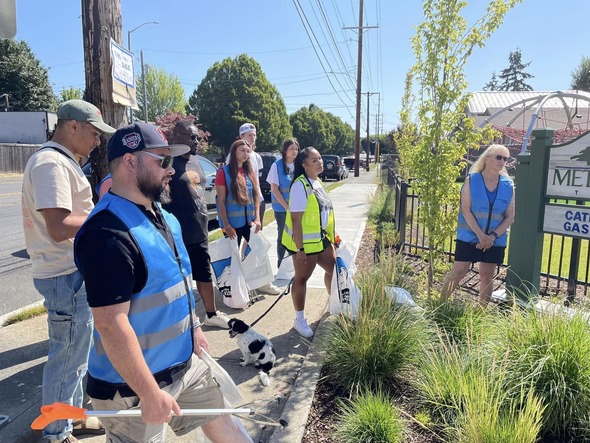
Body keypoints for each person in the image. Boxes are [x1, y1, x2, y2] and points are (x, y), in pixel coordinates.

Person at [74, 122, 252, 443]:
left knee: (225, 423)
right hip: (132, 388)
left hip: (183, 364)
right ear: (131, 161)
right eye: (163, 160)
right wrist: (149, 392)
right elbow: (111, 325)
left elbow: (177, 284)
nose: (172, 170)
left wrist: (195, 327)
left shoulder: (165, 217)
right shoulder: (107, 235)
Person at [21, 99, 115, 443]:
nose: (97, 140)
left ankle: (72, 417)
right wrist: (108, 219)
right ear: (72, 126)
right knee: (67, 358)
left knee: (77, 354)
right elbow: (59, 226)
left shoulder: (61, 162)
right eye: (93, 132)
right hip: (66, 275)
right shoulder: (50, 163)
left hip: (69, 273)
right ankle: (57, 433)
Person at [162, 121, 230, 329]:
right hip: (178, 232)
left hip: (199, 228)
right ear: (177, 136)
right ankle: (182, 319)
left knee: (203, 273)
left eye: (198, 137)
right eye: (192, 137)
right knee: (180, 278)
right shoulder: (168, 162)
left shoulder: (195, 161)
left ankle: (211, 313)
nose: (197, 142)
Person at [441, 144, 515, 304]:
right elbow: (466, 210)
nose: (502, 161)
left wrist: (491, 237)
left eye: (505, 158)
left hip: (495, 239)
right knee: (459, 271)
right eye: (498, 157)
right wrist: (481, 236)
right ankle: (439, 306)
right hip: (469, 236)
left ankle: (480, 315)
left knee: (487, 275)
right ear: (487, 158)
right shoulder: (471, 181)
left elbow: (510, 217)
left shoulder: (508, 185)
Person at [282, 147, 336, 337]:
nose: (320, 162)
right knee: (301, 279)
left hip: (322, 240)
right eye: (314, 160)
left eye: (320, 158)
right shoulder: (300, 186)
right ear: (304, 165)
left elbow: (324, 214)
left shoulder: (317, 182)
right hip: (305, 245)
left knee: (334, 271)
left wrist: (333, 236)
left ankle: (334, 304)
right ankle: (300, 319)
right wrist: (300, 249)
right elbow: (296, 220)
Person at [229, 123, 281, 294]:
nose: (252, 137)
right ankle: (237, 280)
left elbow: (256, 182)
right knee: (237, 243)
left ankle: (261, 280)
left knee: (256, 241)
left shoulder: (257, 157)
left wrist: (258, 201)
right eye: (249, 135)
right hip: (240, 206)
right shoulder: (232, 157)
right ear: (241, 137)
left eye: (254, 134)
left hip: (256, 202)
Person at [216, 139, 261, 244]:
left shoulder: (250, 173)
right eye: (242, 150)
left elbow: (255, 198)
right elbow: (221, 201)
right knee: (234, 258)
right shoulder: (223, 172)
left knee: (251, 257)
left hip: (250, 224)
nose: (245, 154)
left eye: (247, 151)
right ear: (234, 152)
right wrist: (227, 225)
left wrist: (258, 219)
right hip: (232, 226)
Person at [266, 138, 300, 268]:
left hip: (298, 208)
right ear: (285, 150)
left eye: (296, 149)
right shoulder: (277, 165)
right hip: (282, 209)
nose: (294, 151)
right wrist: (287, 207)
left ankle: (294, 265)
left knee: (297, 236)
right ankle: (281, 265)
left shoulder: (299, 165)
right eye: (291, 148)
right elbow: (274, 189)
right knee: (283, 237)